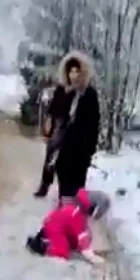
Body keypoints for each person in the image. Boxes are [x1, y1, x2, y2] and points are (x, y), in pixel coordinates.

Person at [43, 50, 101, 199]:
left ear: (83, 73)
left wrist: (90, 149)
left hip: (80, 150)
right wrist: (50, 129)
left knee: (77, 190)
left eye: (77, 71)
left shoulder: (89, 94)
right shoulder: (62, 91)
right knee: (64, 187)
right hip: (63, 148)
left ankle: (76, 217)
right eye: (71, 72)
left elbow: (94, 123)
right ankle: (64, 215)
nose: (73, 75)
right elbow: (53, 113)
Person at [25, 188, 105, 264]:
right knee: (62, 253)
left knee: (75, 243)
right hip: (53, 228)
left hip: (61, 226)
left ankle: (52, 240)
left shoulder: (79, 209)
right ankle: (41, 247)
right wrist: (92, 257)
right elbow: (83, 239)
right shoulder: (77, 215)